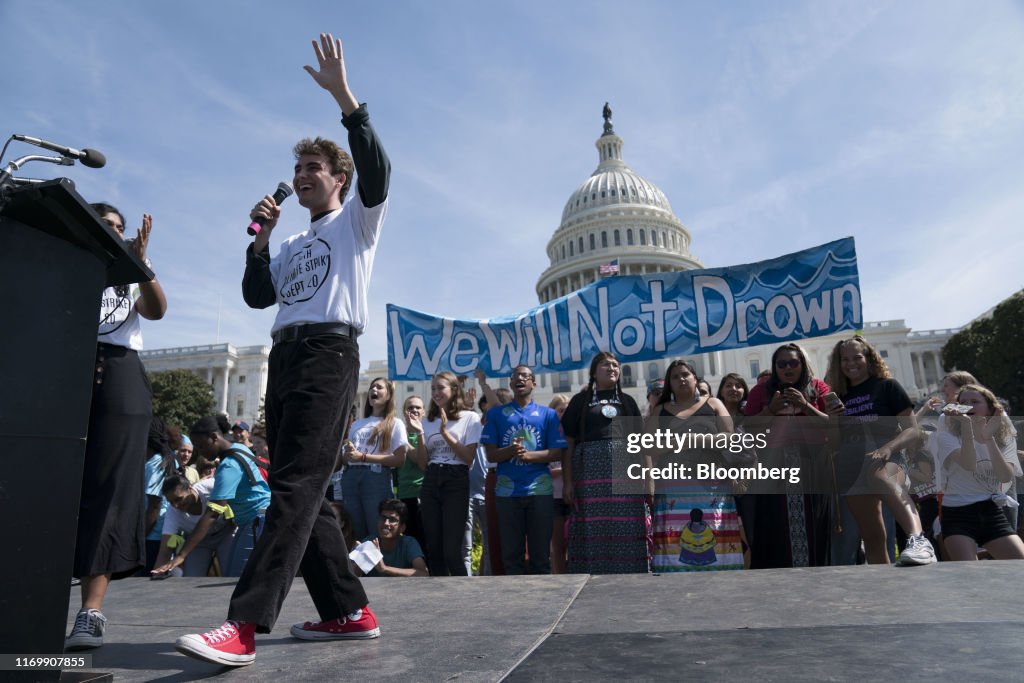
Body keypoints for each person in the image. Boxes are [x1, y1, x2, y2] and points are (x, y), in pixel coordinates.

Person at [173, 33, 390, 667]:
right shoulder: (293, 242)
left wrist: (345, 98)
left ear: (338, 178)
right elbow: (255, 295)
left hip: (329, 354)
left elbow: (377, 167)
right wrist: (261, 239)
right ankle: (349, 610)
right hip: (287, 358)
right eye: (296, 171)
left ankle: (243, 626)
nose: (300, 179)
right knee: (309, 492)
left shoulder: (357, 222)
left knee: (292, 487)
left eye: (312, 170)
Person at [65, 203, 166, 651]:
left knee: (108, 493)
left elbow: (157, 309)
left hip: (121, 376)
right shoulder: (67, 260)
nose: (114, 231)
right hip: (67, 372)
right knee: (60, 490)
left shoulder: (130, 270)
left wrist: (140, 263)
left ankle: (91, 612)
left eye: (120, 227)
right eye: (105, 224)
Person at [824, 336, 936, 566]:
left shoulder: (887, 386)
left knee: (881, 477)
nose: (851, 363)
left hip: (888, 455)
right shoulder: (840, 395)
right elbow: (835, 443)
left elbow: (912, 431)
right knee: (873, 537)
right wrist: (832, 419)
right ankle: (882, 586)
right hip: (853, 464)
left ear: (869, 358)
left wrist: (887, 448)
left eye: (857, 357)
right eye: (844, 359)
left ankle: (919, 540)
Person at [742, 343, 836, 569]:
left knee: (815, 526)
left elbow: (833, 424)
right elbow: (748, 428)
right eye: (781, 364)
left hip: (813, 464)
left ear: (802, 364)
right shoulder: (761, 391)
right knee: (775, 529)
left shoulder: (818, 387)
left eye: (793, 362)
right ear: (775, 368)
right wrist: (771, 409)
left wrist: (805, 405)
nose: (787, 368)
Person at [648, 360, 742, 571]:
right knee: (677, 540)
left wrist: (690, 439)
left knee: (714, 533)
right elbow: (650, 446)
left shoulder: (714, 404)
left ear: (695, 378)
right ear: (669, 384)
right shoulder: (660, 410)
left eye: (685, 374)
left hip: (713, 485)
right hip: (673, 487)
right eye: (675, 377)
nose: (681, 379)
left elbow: (729, 438)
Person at [561, 352, 648, 573]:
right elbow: (568, 444)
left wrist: (648, 480)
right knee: (592, 523)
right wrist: (568, 482)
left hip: (625, 471)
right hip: (589, 472)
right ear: (593, 372)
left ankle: (629, 571)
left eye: (616, 365)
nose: (612, 368)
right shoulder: (580, 401)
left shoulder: (627, 402)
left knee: (625, 522)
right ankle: (592, 572)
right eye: (605, 364)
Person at [153, 417, 271, 578]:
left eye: (201, 446)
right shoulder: (238, 448)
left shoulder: (229, 465)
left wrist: (181, 556)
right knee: (232, 576)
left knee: (239, 579)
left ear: (214, 437)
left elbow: (212, 514)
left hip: (256, 520)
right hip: (249, 522)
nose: (200, 452)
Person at [482, 365, 566, 575]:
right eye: (515, 376)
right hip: (507, 494)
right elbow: (490, 455)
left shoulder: (548, 414)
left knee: (540, 558)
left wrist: (529, 456)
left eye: (525, 376)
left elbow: (557, 453)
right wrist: (510, 451)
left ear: (533, 383)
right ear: (510, 383)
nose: (519, 379)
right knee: (512, 558)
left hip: (539, 491)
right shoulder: (496, 415)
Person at [935, 384, 1024, 560]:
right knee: (970, 574)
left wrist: (987, 437)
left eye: (975, 401)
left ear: (990, 408)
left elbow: (1005, 476)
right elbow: (969, 464)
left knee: (1018, 564)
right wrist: (967, 429)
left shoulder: (1002, 434)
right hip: (957, 513)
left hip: (990, 510)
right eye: (963, 402)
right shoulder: (947, 434)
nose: (968, 406)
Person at [407, 371, 482, 576]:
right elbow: (423, 464)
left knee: (452, 551)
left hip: (456, 479)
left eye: (441, 388)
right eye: (433, 388)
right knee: (435, 550)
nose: (436, 392)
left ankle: (461, 594)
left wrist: (445, 433)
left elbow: (468, 458)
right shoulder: (427, 420)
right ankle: (439, 598)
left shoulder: (470, 418)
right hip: (431, 479)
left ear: (454, 390)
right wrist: (420, 433)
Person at [341, 377, 409, 540]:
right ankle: (358, 565)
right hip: (350, 477)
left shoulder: (395, 423)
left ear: (388, 396)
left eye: (379, 387)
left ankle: (378, 565)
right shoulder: (357, 424)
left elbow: (400, 459)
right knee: (354, 529)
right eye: (372, 387)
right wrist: (347, 454)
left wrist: (364, 457)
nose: (373, 390)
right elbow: (345, 459)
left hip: (376, 478)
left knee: (376, 528)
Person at [153, 474, 237, 577]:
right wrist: (156, 574)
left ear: (190, 488)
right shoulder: (172, 513)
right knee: (191, 577)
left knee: (233, 573)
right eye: (171, 502)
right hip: (197, 543)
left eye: (179, 499)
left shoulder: (211, 487)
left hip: (226, 534)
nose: (176, 505)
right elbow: (164, 551)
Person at [357, 499, 429, 577]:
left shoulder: (409, 543)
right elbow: (354, 576)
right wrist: (357, 560)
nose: (386, 523)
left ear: (402, 528)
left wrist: (384, 568)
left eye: (392, 520)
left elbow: (424, 573)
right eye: (383, 518)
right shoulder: (369, 542)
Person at [397, 396, 428, 551]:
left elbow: (420, 461)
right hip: (403, 494)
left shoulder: (426, 435)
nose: (414, 410)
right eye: (410, 408)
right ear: (404, 412)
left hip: (421, 494)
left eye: (417, 407)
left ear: (424, 412)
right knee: (410, 540)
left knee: (423, 540)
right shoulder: (399, 433)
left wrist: (404, 440)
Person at [548, 394, 571, 574]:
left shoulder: (574, 435)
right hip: (553, 496)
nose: (564, 414)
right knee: (557, 546)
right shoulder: (547, 434)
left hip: (573, 495)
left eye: (567, 411)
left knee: (574, 543)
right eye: (560, 410)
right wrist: (565, 469)